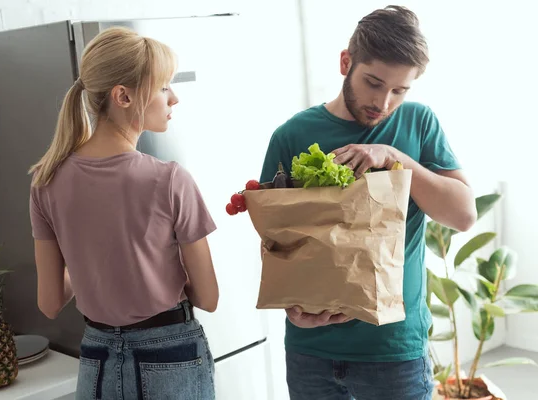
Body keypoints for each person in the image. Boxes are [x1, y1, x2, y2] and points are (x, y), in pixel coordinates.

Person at [259, 6, 477, 400]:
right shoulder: (292, 134)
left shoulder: (417, 123)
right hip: (311, 354)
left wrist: (393, 156)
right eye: (373, 83)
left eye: (399, 90)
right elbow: (276, 238)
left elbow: (462, 215)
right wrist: (293, 310)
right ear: (346, 62)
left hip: (394, 353)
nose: (384, 101)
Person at [27, 27, 219, 400]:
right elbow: (208, 297)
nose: (173, 98)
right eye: (164, 87)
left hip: (96, 359)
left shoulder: (45, 181)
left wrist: (90, 266)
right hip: (171, 356)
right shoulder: (169, 179)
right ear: (124, 96)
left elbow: (50, 303)